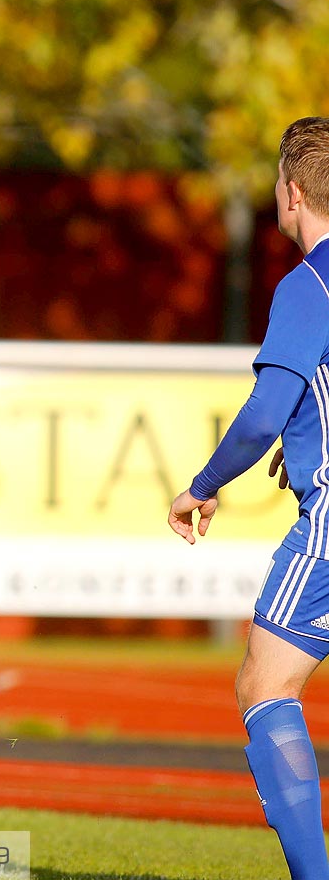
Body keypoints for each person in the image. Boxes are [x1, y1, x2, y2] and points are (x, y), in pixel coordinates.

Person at [169, 117, 329, 880]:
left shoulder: (310, 283)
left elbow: (264, 411)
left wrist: (202, 485)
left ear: (291, 192)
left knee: (265, 685)